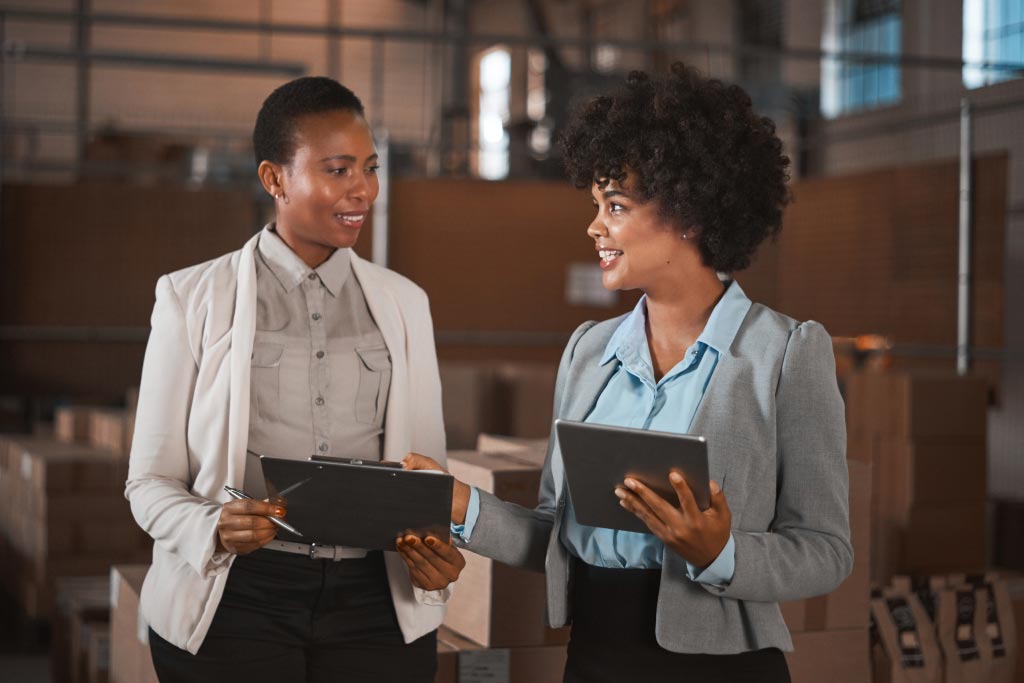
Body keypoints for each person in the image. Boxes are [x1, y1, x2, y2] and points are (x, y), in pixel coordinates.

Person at [405, 63, 852, 683]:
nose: (595, 227)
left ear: (691, 213)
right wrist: (462, 507)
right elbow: (556, 534)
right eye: (596, 205)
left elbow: (826, 551)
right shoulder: (589, 351)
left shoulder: (787, 353)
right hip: (594, 658)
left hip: (722, 667)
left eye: (615, 206)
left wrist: (721, 553)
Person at [126, 76, 464, 683]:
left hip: (374, 602)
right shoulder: (190, 297)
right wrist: (213, 527)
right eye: (336, 170)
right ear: (274, 179)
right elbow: (148, 483)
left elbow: (424, 475)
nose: (362, 189)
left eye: (369, 167)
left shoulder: (405, 303)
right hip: (237, 596)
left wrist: (434, 549)